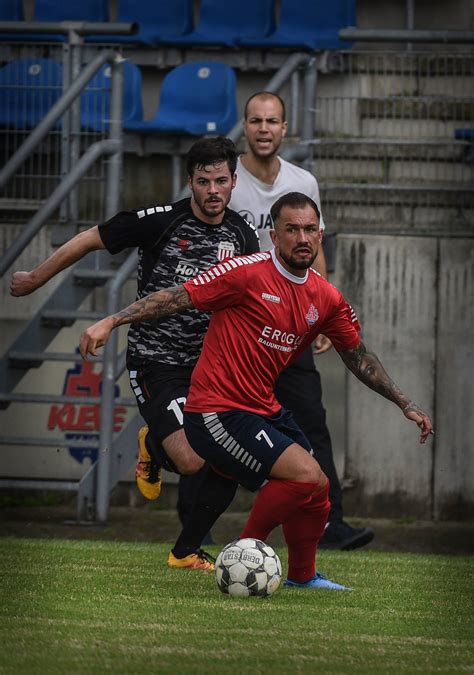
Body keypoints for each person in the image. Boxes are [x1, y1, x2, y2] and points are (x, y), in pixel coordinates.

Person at [79, 192, 433, 590]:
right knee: (301, 476)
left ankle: (304, 577)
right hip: (215, 410)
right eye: (292, 229)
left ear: (321, 234)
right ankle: (244, 557)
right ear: (273, 235)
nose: (303, 237)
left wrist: (405, 403)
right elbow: (177, 297)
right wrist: (112, 320)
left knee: (319, 488)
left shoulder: (326, 297)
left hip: (262, 408)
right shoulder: (245, 272)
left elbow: (359, 357)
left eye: (310, 229)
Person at [10, 136, 260, 570]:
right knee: (192, 458)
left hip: (210, 367)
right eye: (204, 181)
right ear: (191, 182)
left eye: (222, 180)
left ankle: (185, 552)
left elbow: (252, 297)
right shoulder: (161, 220)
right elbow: (91, 238)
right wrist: (35, 277)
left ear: (234, 181)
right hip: (155, 360)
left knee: (228, 459)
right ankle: (156, 444)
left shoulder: (243, 235)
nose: (214, 190)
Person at [228, 91, 374, 550]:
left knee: (312, 422)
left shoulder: (303, 181)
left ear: (285, 128)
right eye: (256, 120)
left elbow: (315, 251)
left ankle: (331, 523)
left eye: (273, 121)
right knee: (217, 423)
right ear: (245, 127)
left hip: (289, 330)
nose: (264, 129)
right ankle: (193, 534)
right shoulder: (224, 180)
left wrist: (325, 318)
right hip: (236, 332)